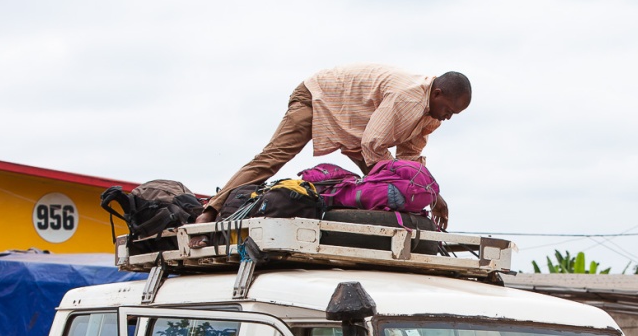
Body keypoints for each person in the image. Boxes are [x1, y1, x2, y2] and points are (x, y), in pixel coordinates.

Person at [191, 64, 470, 246]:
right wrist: (394, 185)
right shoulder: (408, 98)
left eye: (453, 115)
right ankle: (209, 213)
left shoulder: (429, 115)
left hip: (355, 124)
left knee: (383, 183)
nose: (448, 118)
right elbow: (373, 145)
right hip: (318, 98)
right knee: (272, 158)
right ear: (437, 93)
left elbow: (409, 164)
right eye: (448, 109)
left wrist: (433, 196)